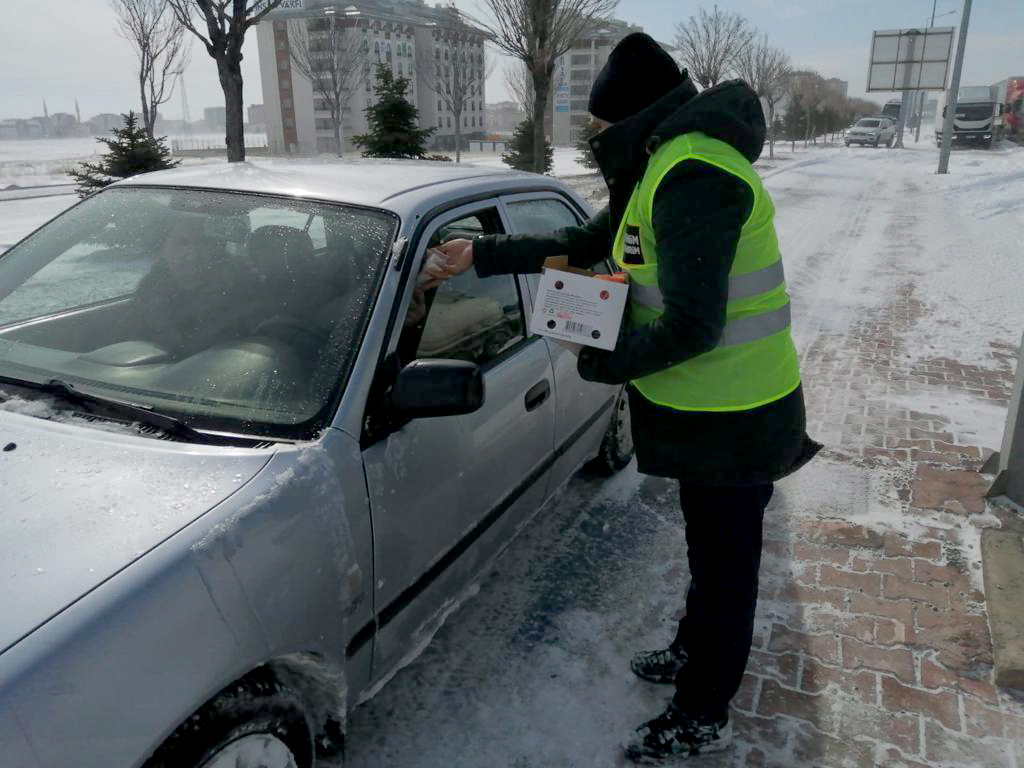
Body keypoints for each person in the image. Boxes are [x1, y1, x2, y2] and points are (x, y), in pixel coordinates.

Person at [432, 33, 820, 763]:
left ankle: (704, 711)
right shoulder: (657, 167)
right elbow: (584, 242)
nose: (596, 140)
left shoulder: (695, 176)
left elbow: (693, 327)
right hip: (708, 411)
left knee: (728, 565)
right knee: (708, 552)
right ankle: (689, 649)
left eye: (601, 128)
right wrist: (478, 253)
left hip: (738, 418)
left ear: (636, 120)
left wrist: (606, 361)